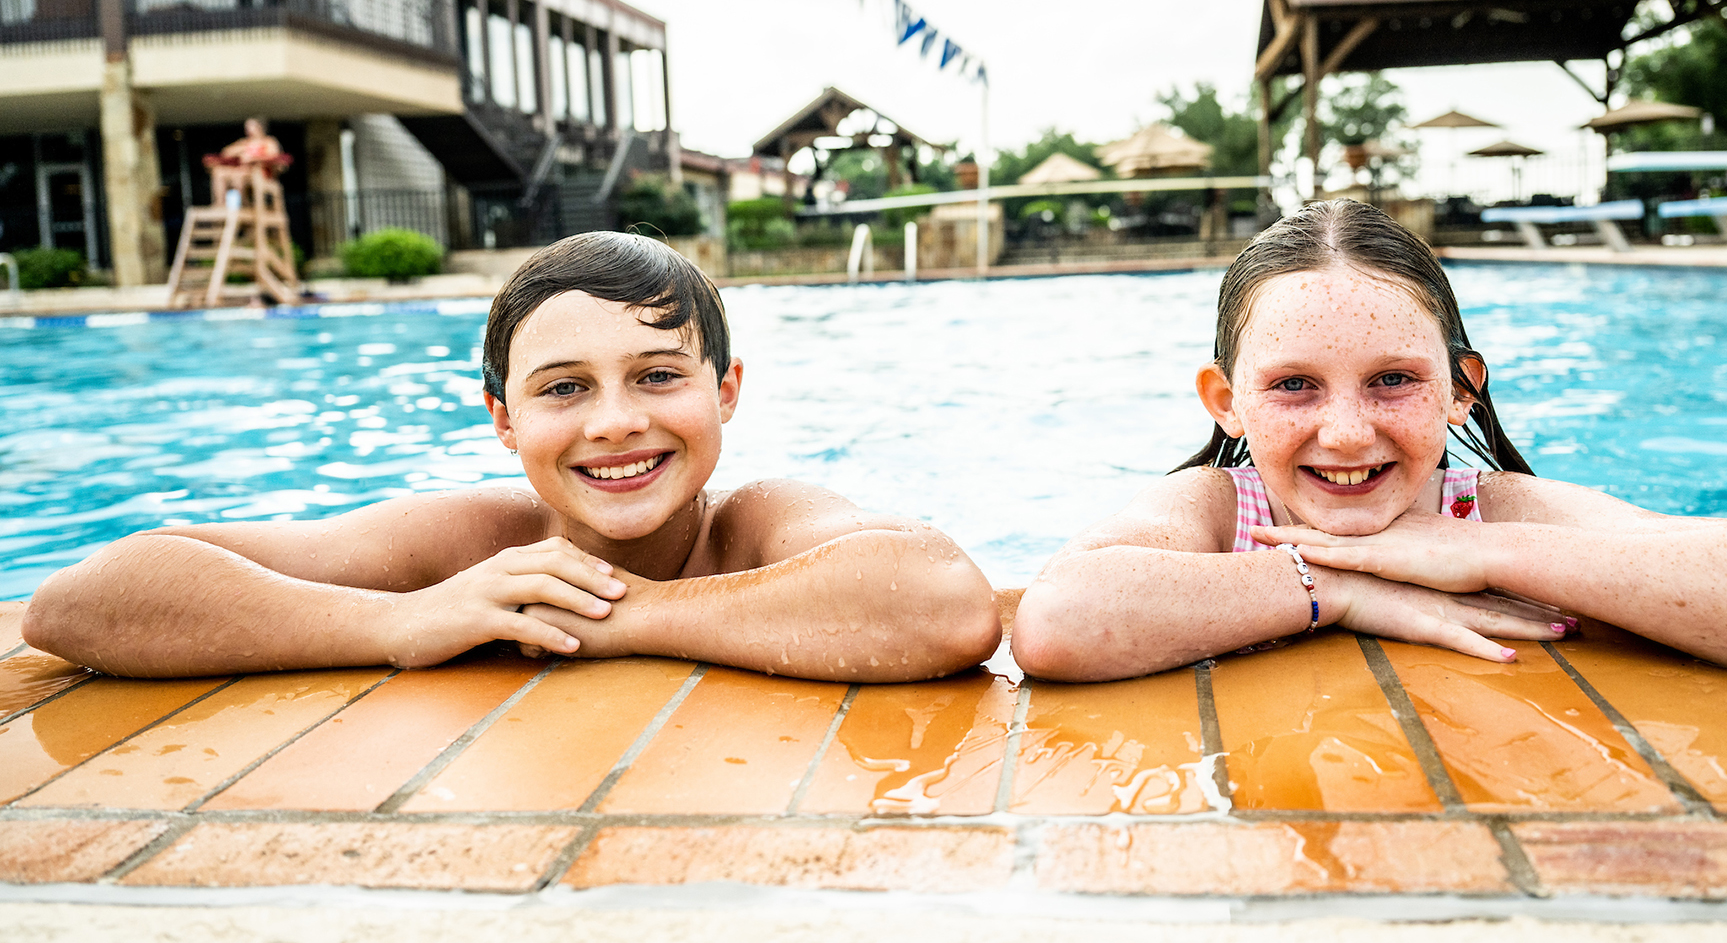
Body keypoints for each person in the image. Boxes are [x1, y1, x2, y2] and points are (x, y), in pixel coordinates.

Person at [25, 232, 1002, 680]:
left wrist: (626, 620)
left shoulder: (757, 525)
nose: (615, 422)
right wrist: (399, 621)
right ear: (503, 418)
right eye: (564, 388)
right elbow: (77, 601)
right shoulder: (466, 543)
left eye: (659, 376)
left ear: (726, 391)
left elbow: (944, 602)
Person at [1011, 199, 1727, 683]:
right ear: (1227, 402)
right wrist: (1334, 588)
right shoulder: (1216, 508)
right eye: (1293, 385)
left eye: (1393, 380)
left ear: (1461, 392)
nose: (1346, 432)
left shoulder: (1491, 515)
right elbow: (1057, 621)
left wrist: (1480, 552)